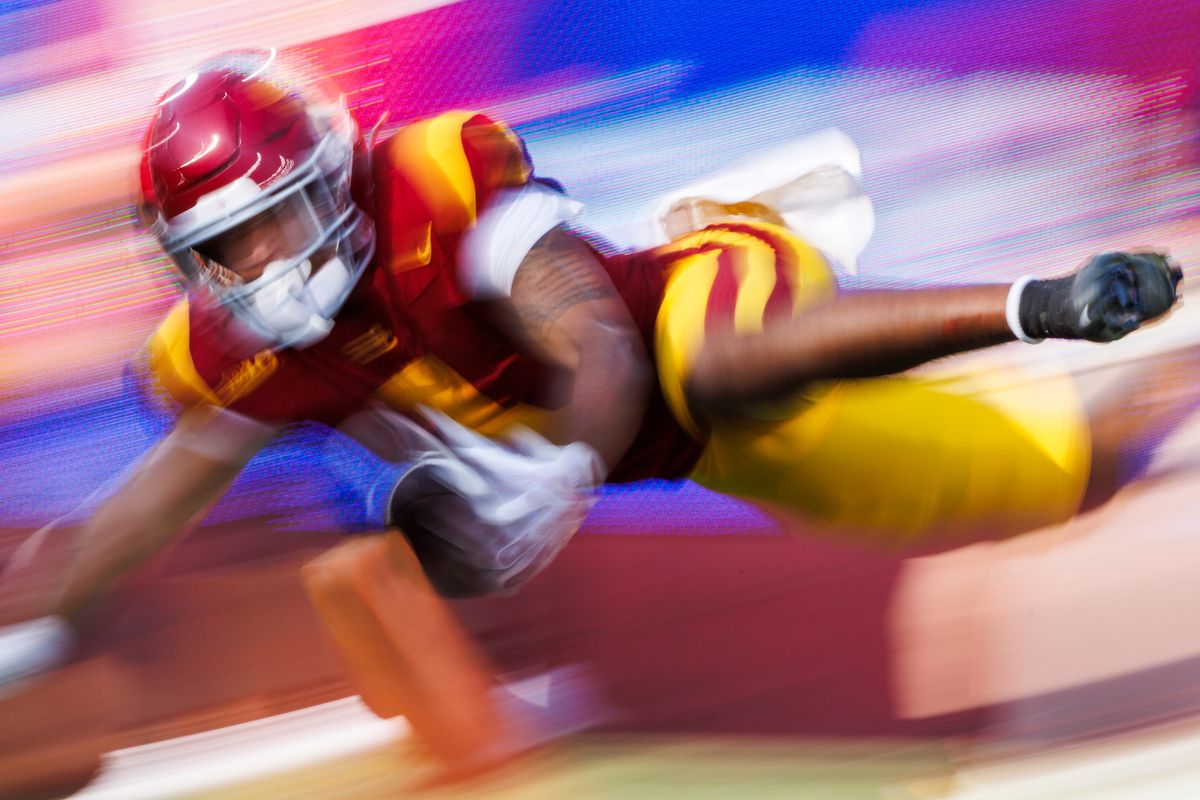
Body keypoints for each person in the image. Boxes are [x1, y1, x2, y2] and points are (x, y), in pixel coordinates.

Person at [0, 49, 1185, 766]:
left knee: (714, 360)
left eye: (271, 220)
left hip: (694, 304)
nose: (260, 263)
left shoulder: (429, 178)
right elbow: (138, 513)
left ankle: (1046, 303)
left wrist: (559, 475)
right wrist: (39, 633)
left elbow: (603, 347)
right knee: (1054, 472)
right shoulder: (239, 353)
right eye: (225, 247)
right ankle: (1165, 386)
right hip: (686, 453)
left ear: (329, 174)